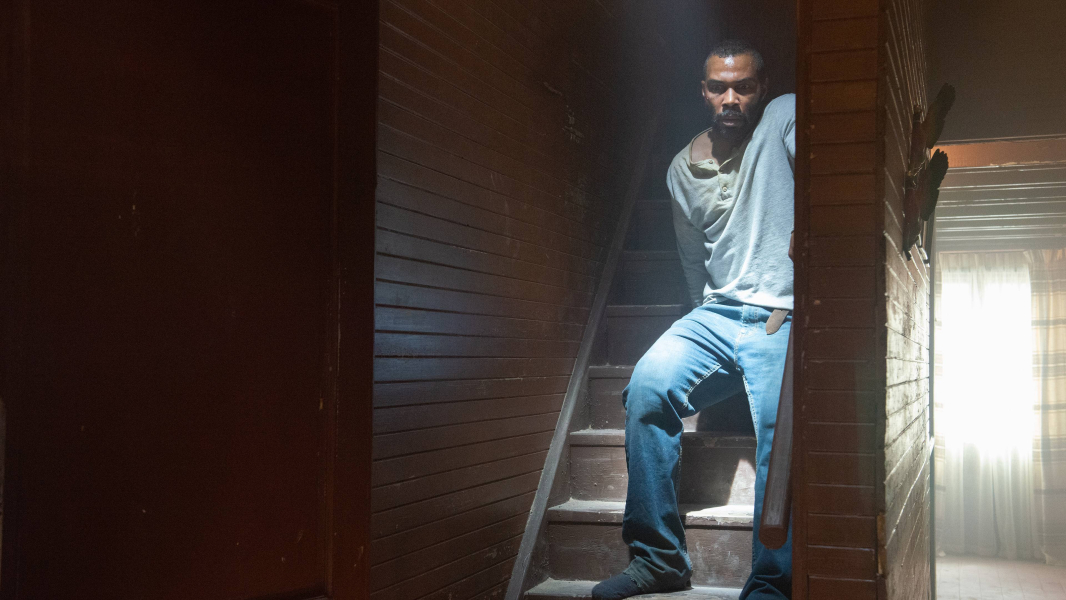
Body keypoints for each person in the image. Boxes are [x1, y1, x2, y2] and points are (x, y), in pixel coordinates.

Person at [591, 40, 795, 600]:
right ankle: (659, 559)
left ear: (761, 88)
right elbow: (691, 258)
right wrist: (702, 320)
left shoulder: (783, 116)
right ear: (703, 92)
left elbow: (825, 171)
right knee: (647, 388)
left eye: (744, 87)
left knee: (781, 429)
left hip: (783, 313)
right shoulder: (681, 168)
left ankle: (772, 584)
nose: (731, 99)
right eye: (719, 88)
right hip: (718, 312)